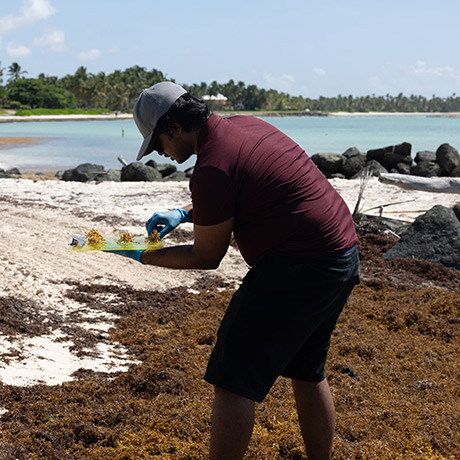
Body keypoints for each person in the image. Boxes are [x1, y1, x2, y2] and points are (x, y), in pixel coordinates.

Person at [109, 81, 359, 460]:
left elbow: (207, 257)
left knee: (232, 382)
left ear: (175, 127)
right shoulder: (246, 126)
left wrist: (141, 254)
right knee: (307, 370)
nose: (160, 153)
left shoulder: (211, 167)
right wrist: (186, 213)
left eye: (158, 143)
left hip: (299, 268)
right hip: (342, 254)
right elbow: (255, 185)